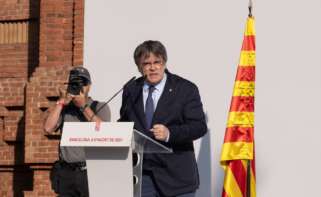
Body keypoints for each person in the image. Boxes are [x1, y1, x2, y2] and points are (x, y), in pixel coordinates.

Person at [119, 40, 207, 197]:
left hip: (177, 178)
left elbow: (199, 126)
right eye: (146, 63)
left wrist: (169, 133)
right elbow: (126, 121)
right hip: (143, 176)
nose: (152, 68)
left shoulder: (185, 89)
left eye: (157, 62)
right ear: (139, 67)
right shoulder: (131, 89)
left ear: (164, 63)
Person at [44, 66, 110, 197]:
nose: (79, 87)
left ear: (89, 86)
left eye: (83, 83)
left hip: (89, 172)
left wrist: (83, 106)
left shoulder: (99, 106)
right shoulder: (64, 108)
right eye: (74, 83)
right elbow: (48, 128)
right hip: (66, 173)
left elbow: (103, 131)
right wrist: (61, 102)